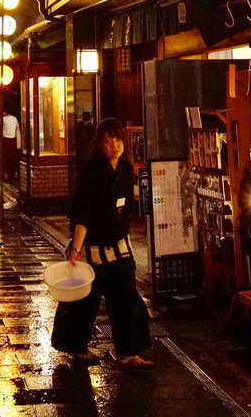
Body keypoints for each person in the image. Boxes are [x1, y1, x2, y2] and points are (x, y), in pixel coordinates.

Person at [51, 118, 154, 370]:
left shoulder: (126, 169)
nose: (114, 145)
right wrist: (76, 249)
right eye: (108, 141)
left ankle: (129, 353)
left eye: (118, 139)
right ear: (99, 144)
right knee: (84, 301)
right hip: (92, 249)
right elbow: (83, 214)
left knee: (127, 297)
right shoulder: (90, 172)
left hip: (118, 247)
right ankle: (75, 347)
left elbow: (125, 210)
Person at [1, 104, 22, 183]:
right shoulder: (15, 119)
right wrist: (19, 144)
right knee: (14, 157)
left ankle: (6, 174)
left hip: (5, 140)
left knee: (6, 157)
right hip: (13, 140)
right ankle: (16, 173)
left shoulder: (3, 119)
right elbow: (18, 131)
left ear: (5, 111)